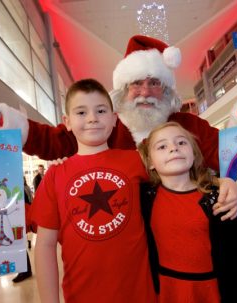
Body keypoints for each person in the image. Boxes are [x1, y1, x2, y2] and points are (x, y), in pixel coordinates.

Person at [0, 35, 237, 220]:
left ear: (167, 90)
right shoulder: (105, 124)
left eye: (155, 83)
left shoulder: (187, 124)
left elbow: (230, 156)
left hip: (183, 229)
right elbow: (50, 141)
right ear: (123, 90)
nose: (147, 92)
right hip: (124, 234)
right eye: (137, 83)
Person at [31, 79, 156, 303]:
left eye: (100, 110)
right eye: (81, 112)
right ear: (67, 122)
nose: (92, 118)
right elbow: (44, 245)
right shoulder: (55, 175)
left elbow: (181, 182)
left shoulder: (138, 160)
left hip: (140, 294)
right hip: (81, 295)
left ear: (115, 118)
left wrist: (223, 184)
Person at [138, 121, 237, 303]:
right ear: (150, 162)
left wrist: (225, 183)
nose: (174, 148)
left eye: (182, 142)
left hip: (209, 290)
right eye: (162, 146)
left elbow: (236, 261)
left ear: (194, 153)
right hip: (165, 290)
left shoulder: (219, 198)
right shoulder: (144, 197)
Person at [12, 176, 33, 283]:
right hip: (14, 218)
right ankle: (25, 270)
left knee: (18, 244)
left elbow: (26, 203)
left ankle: (25, 270)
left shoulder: (18, 188)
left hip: (16, 219)